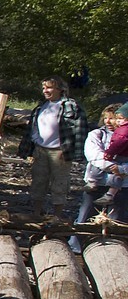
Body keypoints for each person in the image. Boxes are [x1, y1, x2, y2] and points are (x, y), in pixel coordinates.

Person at [22, 76, 86, 219]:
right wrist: (35, 141)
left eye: (49, 87)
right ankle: (37, 213)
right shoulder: (42, 106)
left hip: (59, 151)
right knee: (38, 181)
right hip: (41, 150)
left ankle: (56, 216)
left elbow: (79, 130)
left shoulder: (70, 106)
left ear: (60, 89)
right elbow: (33, 128)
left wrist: (68, 149)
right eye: (44, 88)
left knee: (60, 183)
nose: (45, 90)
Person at [72, 106, 128, 253]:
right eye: (106, 117)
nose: (109, 121)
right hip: (98, 181)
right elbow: (93, 154)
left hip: (121, 184)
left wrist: (122, 170)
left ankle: (114, 249)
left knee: (117, 218)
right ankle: (76, 246)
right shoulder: (97, 134)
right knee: (85, 215)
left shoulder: (125, 135)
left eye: (113, 118)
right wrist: (111, 166)